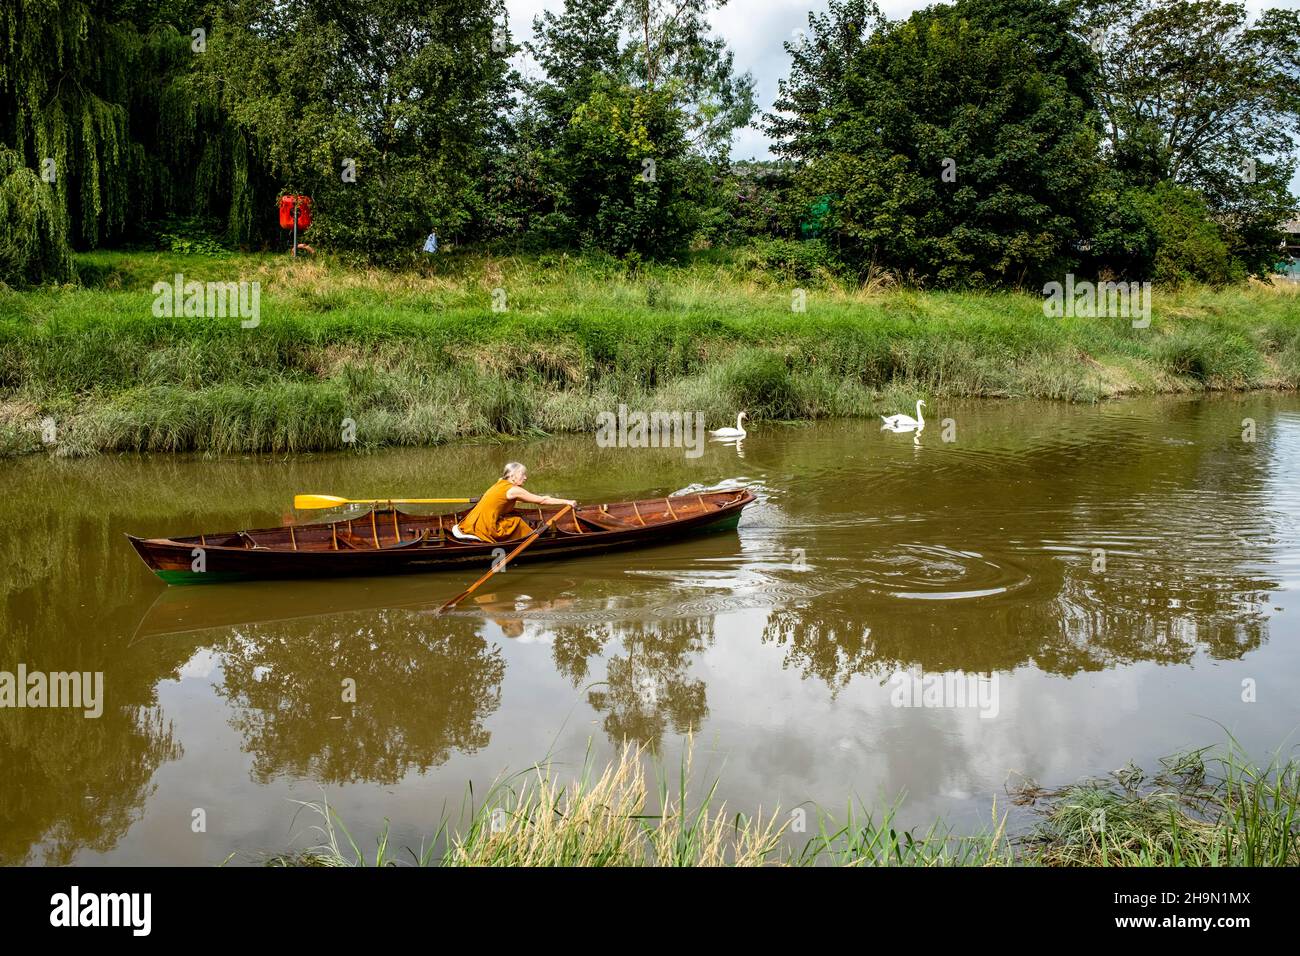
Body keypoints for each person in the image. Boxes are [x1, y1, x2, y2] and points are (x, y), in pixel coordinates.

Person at [452, 462, 576, 543]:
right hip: (485, 527)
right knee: (517, 521)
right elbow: (542, 500)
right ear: (512, 476)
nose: (525, 477)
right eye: (522, 474)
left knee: (513, 516)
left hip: (471, 521)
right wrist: (567, 501)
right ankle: (533, 542)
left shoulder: (500, 482)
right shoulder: (513, 490)